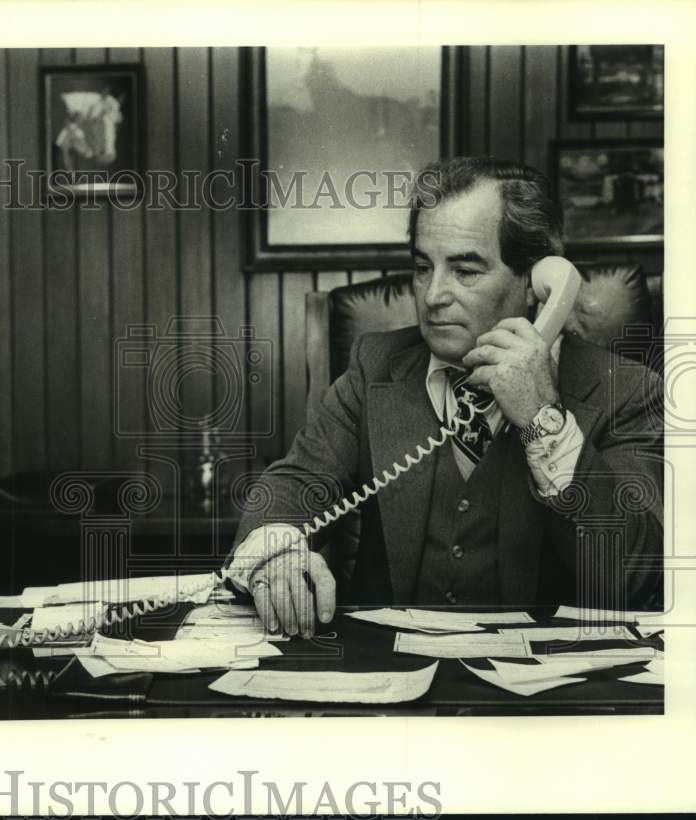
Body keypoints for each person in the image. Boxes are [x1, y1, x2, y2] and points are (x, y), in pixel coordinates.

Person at [227, 156, 663, 637]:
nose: (432, 295)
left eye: (465, 270)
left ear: (538, 281)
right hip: (384, 678)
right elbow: (292, 484)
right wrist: (277, 551)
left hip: (544, 697)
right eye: (421, 267)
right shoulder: (375, 365)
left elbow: (640, 579)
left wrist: (542, 417)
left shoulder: (627, 391)